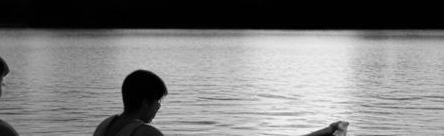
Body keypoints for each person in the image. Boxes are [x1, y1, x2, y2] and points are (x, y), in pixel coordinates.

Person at [94, 70, 345, 136]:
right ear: (146, 102)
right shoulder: (146, 132)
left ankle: (323, 132)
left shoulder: (104, 125)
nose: (159, 107)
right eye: (158, 101)